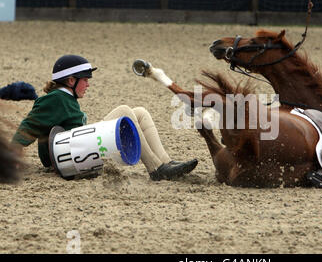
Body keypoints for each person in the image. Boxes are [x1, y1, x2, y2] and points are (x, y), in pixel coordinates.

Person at [10, 55, 198, 180]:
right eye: (85, 80)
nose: (88, 85)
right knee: (125, 110)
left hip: (79, 150)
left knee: (139, 112)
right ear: (71, 81)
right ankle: (156, 169)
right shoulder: (54, 99)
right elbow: (29, 125)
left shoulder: (63, 98)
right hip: (68, 158)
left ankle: (165, 162)